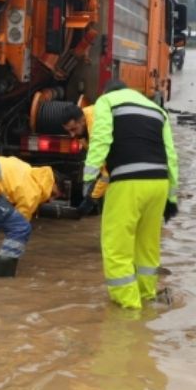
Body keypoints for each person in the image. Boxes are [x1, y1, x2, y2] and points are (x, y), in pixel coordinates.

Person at [77, 81, 179, 309]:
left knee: (116, 247)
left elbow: (101, 139)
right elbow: (171, 156)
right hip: (159, 184)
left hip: (127, 183)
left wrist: (88, 178)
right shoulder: (157, 110)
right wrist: (171, 199)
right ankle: (147, 295)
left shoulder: (107, 102)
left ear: (108, 92)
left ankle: (129, 309)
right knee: (147, 246)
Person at [62, 103, 108, 208]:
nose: (72, 135)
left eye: (73, 129)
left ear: (82, 120)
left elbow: (107, 173)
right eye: (68, 131)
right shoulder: (85, 119)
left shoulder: (97, 131)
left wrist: (93, 197)